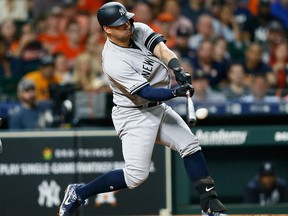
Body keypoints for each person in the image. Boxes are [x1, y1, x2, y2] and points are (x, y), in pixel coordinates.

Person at [58, 2, 228, 216]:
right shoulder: (113, 60)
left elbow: (161, 49)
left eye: (127, 20)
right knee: (135, 177)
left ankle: (209, 204)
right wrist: (176, 92)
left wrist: (178, 70)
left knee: (190, 144)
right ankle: (79, 193)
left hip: (157, 107)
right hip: (133, 114)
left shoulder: (138, 29)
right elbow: (145, 92)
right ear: (107, 29)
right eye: (120, 24)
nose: (127, 26)